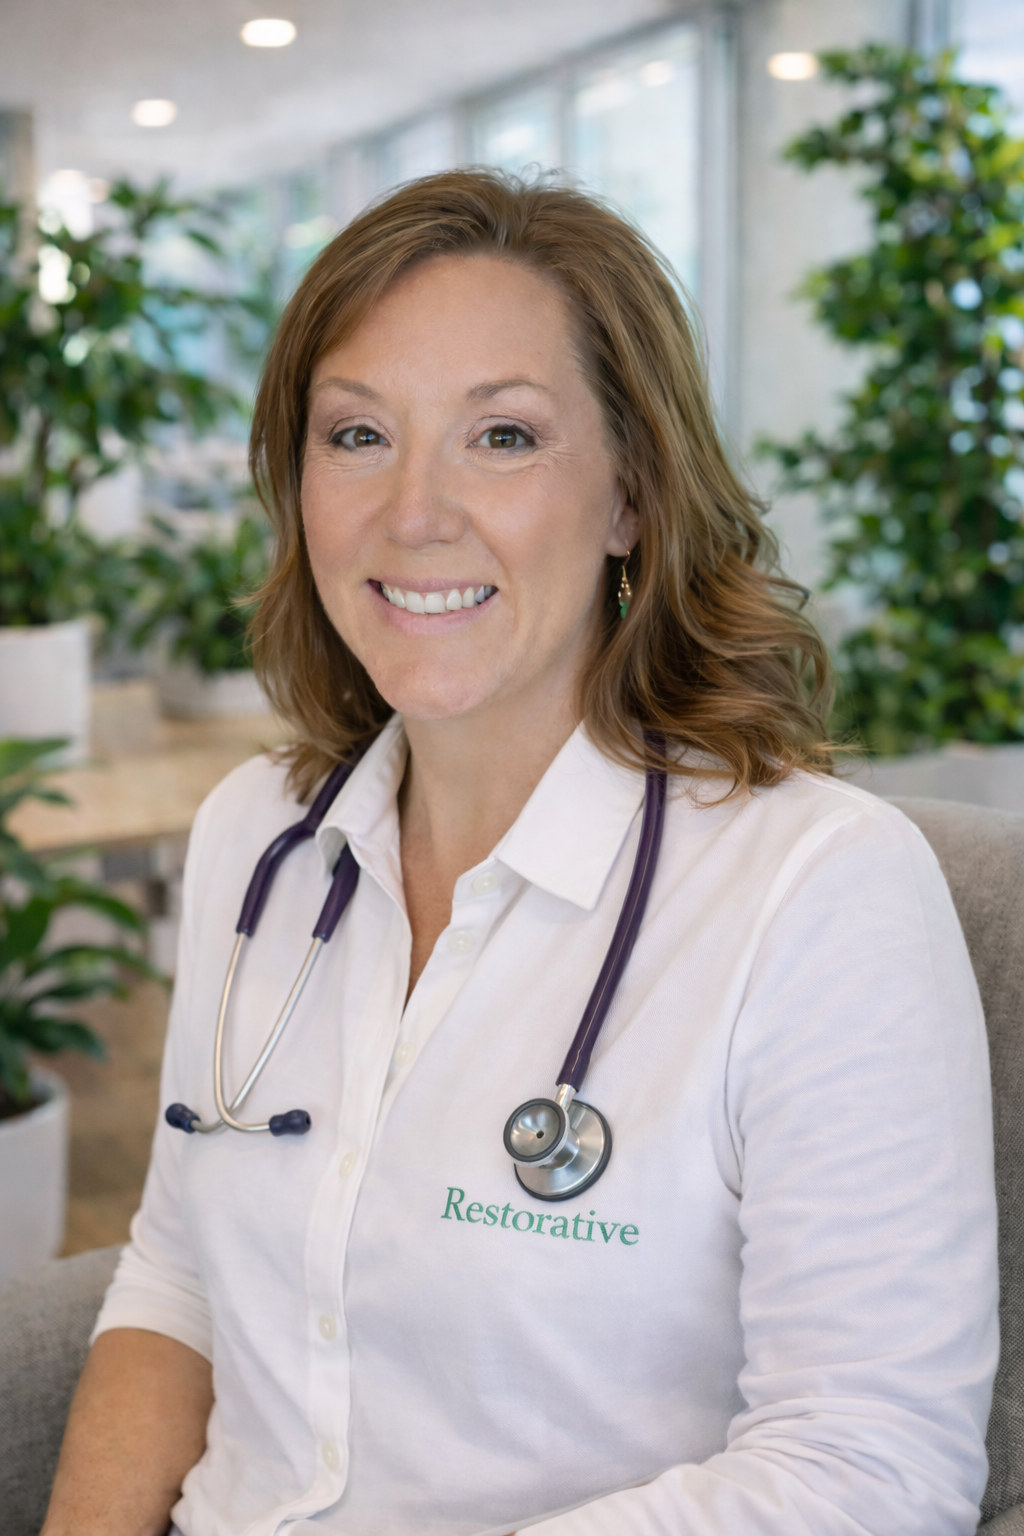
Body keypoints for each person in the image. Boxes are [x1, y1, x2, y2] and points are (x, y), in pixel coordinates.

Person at [43, 170, 997, 1536]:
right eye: (357, 434)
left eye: (502, 436)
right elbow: (181, 1274)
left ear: (630, 498)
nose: (415, 511)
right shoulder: (258, 839)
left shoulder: (818, 891)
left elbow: (871, 1468)